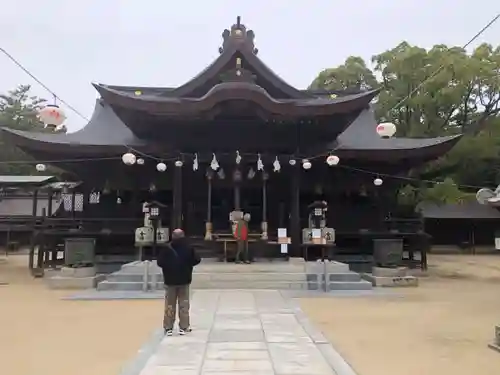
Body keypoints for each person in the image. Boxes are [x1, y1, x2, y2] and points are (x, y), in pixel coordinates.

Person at [157, 228, 200, 336]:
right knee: (184, 304)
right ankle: (184, 326)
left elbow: (160, 262)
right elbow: (197, 260)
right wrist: (187, 265)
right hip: (184, 279)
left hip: (170, 280)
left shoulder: (166, 248)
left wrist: (168, 267)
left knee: (170, 305)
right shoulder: (188, 248)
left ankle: (168, 327)